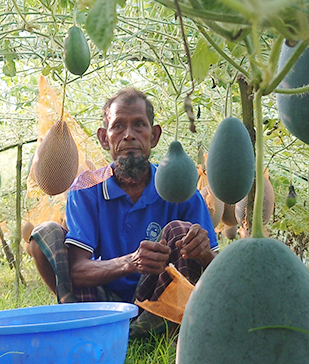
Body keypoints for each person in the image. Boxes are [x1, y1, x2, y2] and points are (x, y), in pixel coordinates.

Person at [27, 87, 218, 336]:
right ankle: (77, 320)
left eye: (139, 125)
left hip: (159, 300)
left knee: (180, 230)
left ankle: (175, 332)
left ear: (154, 135)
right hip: (104, 304)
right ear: (104, 138)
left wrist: (203, 254)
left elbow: (217, 270)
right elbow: (77, 271)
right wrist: (131, 262)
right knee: (46, 233)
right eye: (118, 126)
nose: (128, 135)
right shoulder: (86, 188)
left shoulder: (180, 188)